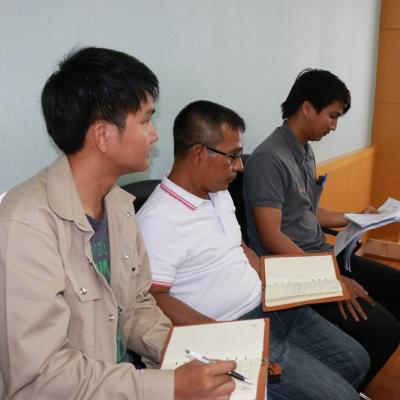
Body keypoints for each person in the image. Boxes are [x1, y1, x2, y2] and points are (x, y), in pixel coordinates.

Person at [0, 47, 237, 400]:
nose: (154, 135)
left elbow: (136, 307)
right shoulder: (26, 225)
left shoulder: (119, 207)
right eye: (145, 120)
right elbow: (41, 379)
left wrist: (183, 352)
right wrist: (170, 386)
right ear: (102, 135)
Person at [137, 100, 370, 400]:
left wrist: (282, 284)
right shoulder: (158, 220)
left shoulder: (217, 192)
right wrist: (224, 337)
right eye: (233, 156)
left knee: (357, 361)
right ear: (198, 154)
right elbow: (154, 298)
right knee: (341, 396)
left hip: (272, 308)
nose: (240, 166)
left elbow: (240, 246)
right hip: (235, 327)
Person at [243, 68, 400, 385]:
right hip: (293, 269)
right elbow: (271, 236)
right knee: (384, 331)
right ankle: (346, 388)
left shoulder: (303, 150)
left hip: (321, 255)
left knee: (396, 286)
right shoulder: (270, 159)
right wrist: (330, 279)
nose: (334, 126)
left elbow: (308, 213)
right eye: (332, 116)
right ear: (306, 108)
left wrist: (356, 217)